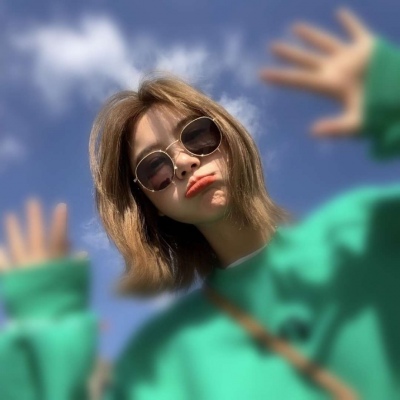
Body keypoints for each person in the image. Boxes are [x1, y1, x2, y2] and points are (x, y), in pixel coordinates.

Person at [0, 9, 399, 399]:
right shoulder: (164, 356)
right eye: (155, 168)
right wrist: (42, 358)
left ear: (229, 136)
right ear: (151, 204)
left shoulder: (368, 229)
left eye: (197, 136)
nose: (183, 162)